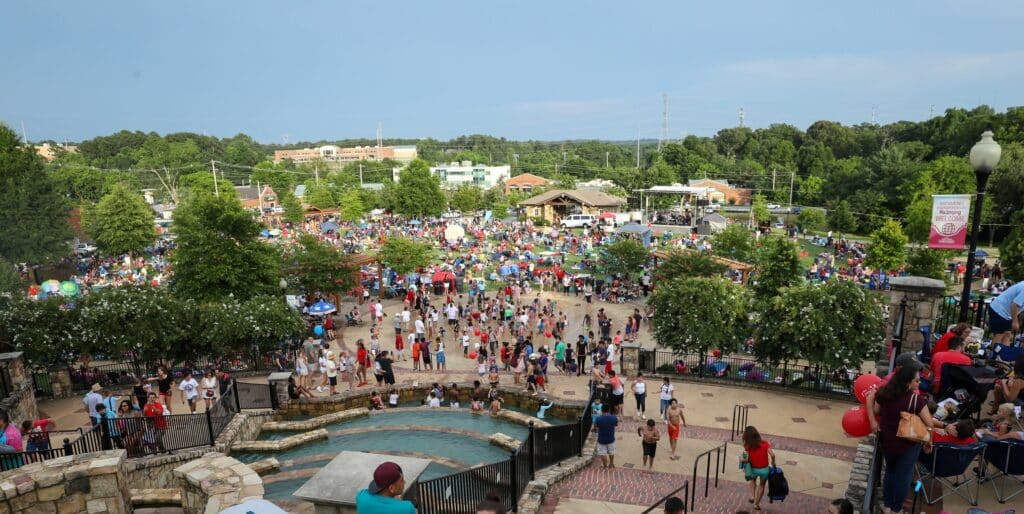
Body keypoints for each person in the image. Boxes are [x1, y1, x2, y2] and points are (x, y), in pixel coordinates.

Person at [867, 365, 940, 514]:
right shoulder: (916, 400)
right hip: (908, 444)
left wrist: (873, 422)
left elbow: (875, 407)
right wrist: (929, 442)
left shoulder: (885, 393)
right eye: (917, 381)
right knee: (904, 476)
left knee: (890, 472)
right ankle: (896, 509)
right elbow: (930, 424)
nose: (919, 384)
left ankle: (887, 506)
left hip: (887, 441)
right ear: (907, 382)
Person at [740, 426, 775, 512]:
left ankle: (752, 496)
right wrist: (773, 462)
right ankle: (756, 504)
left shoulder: (748, 446)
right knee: (762, 485)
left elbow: (746, 458)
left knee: (753, 481)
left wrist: (742, 459)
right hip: (764, 470)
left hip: (753, 469)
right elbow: (773, 455)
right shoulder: (765, 443)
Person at [989, 280, 1024, 344]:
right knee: (999, 335)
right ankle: (994, 353)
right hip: (999, 310)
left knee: (1007, 334)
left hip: (1007, 313)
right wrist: (1015, 321)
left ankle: (1003, 353)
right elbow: (1014, 305)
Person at [594, 403, 618, 468]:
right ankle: (611, 464)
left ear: (602, 410)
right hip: (611, 438)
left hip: (601, 439)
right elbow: (616, 425)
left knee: (602, 453)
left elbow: (595, 427)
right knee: (611, 451)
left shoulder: (598, 419)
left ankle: (605, 465)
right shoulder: (614, 418)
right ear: (609, 409)